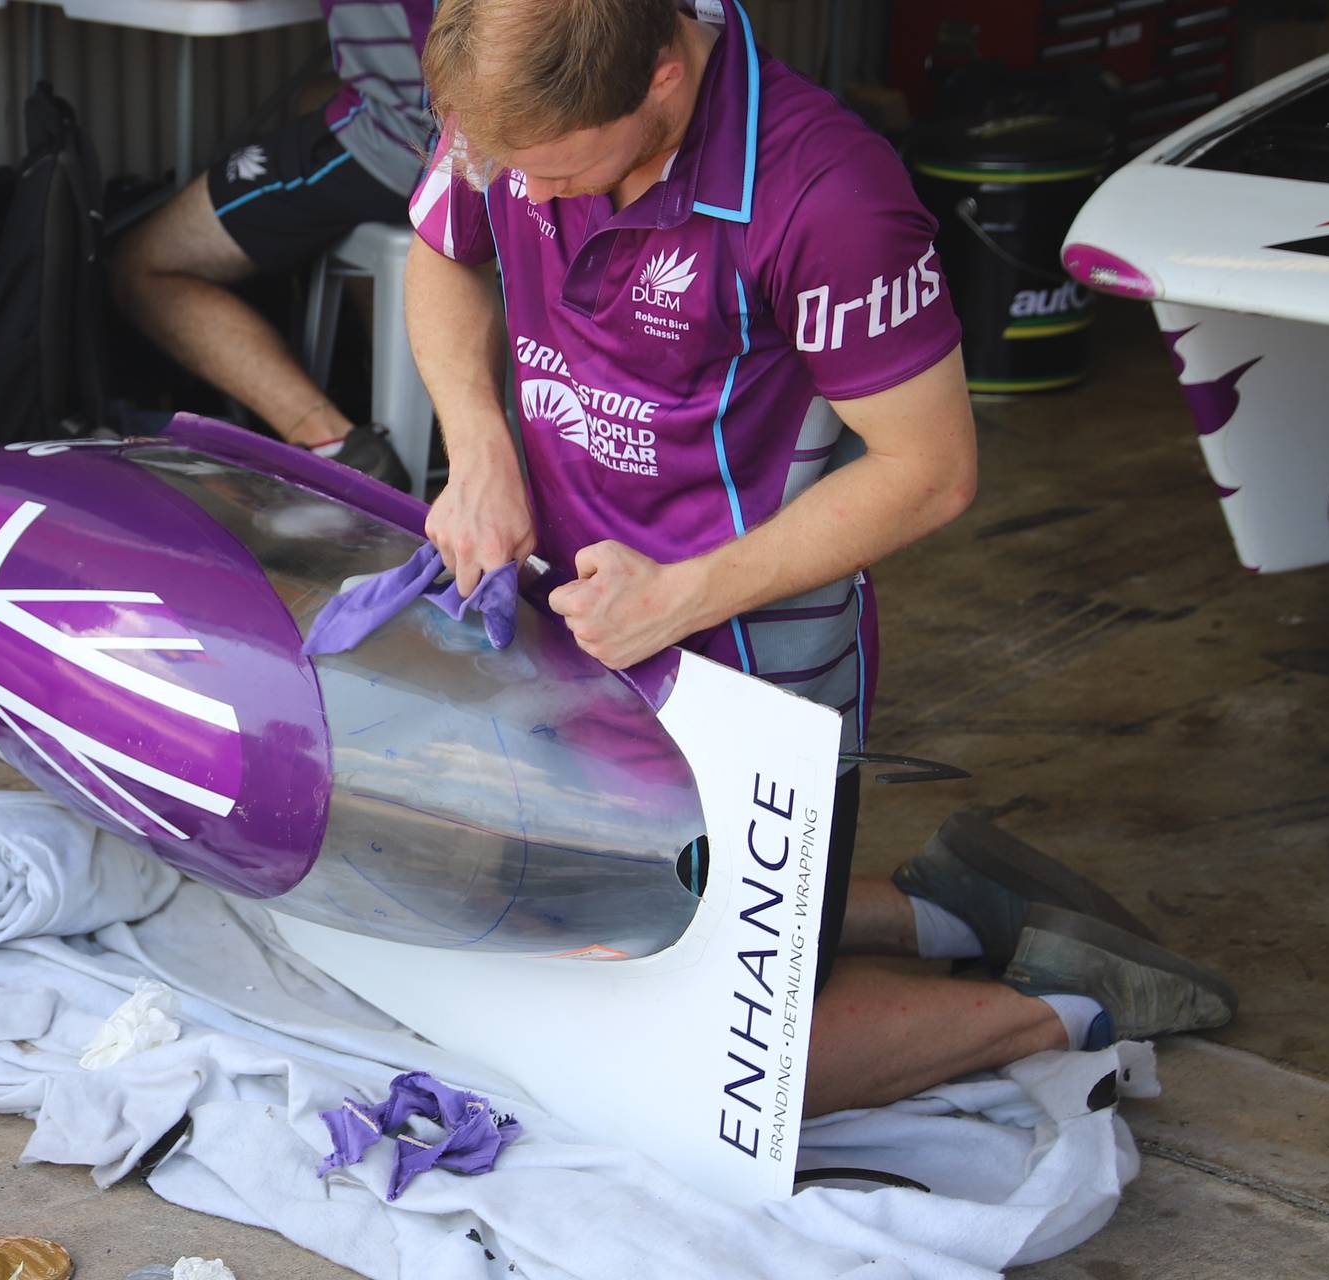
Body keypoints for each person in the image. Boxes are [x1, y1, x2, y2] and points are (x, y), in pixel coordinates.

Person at [406, 0, 1234, 1113]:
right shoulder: (525, 104)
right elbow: (440, 251)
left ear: (661, 80)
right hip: (564, 632)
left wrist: (682, 593)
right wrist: (478, 448)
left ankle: (1074, 1003)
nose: (533, 201)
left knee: (712, 1084)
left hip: (744, 670)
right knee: (524, 943)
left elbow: (930, 468)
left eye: (557, 177)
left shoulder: (825, 191)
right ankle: (940, 905)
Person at [110, 0, 435, 490]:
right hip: (495, 132)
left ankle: (340, 448)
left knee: (142, 265)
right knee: (312, 97)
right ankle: (408, 404)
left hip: (410, 141)